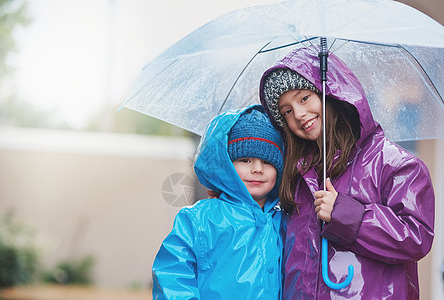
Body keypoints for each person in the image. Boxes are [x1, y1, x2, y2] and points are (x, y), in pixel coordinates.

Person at [259, 46, 435, 299]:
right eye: (286, 111)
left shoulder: (395, 164)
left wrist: (346, 215)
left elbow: (416, 237)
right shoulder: (296, 175)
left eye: (304, 98)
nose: (298, 114)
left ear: (331, 93)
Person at [152, 105, 284, 299]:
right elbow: (173, 274)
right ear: (227, 165)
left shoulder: (285, 221)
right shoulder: (199, 219)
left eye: (267, 162)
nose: (257, 169)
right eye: (245, 160)